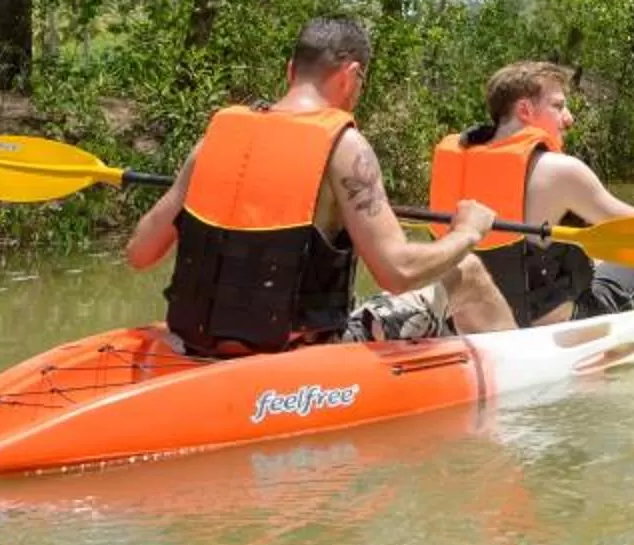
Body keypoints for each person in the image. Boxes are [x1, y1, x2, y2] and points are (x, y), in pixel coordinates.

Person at [124, 17, 514, 355]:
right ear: (351, 76)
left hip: (197, 342)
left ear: (291, 70)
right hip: (298, 350)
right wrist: (467, 231)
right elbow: (398, 271)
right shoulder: (345, 146)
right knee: (468, 270)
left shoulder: (215, 138)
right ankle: (522, 380)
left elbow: (140, 253)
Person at [425, 60, 634, 329]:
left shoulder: (455, 164)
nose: (568, 118)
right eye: (558, 106)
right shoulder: (560, 171)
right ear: (525, 109)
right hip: (549, 325)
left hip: (468, 325)